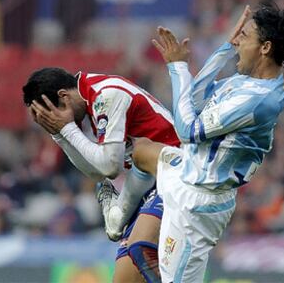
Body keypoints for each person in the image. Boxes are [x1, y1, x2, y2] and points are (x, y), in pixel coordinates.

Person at [117, 3, 284, 282]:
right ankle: (118, 218)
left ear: (264, 48)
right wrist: (225, 49)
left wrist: (177, 67)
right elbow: (194, 99)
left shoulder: (259, 100)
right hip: (186, 171)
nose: (239, 40)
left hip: (198, 202)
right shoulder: (243, 82)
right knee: (142, 149)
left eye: (245, 36)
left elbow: (188, 130)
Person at [22, 68, 179, 282]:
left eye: (51, 116)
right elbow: (96, 173)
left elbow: (110, 168)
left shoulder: (107, 94)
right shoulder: (90, 103)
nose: (52, 121)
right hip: (147, 184)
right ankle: (117, 215)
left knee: (140, 250)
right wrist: (59, 134)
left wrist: (67, 129)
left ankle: (117, 215)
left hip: (173, 177)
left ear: (63, 96)